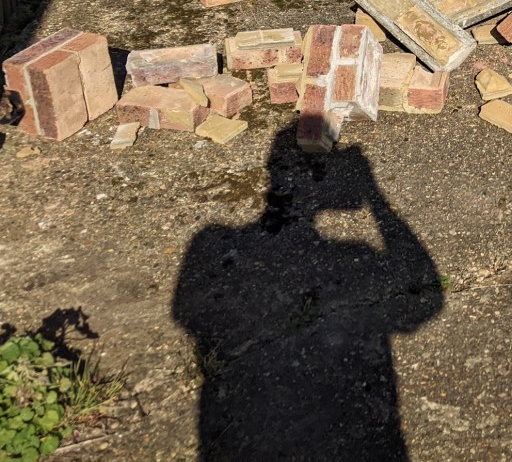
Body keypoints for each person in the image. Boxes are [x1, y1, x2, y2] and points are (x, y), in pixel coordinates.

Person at [173, 139, 443, 459]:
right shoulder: (355, 253)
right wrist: (374, 196)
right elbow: (426, 302)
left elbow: (185, 313)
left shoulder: (209, 242)